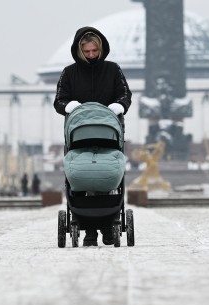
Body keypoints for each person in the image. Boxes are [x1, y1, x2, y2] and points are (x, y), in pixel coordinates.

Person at [54, 26, 132, 246]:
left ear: (101, 49)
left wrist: (119, 105)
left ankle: (108, 226)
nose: (91, 55)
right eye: (86, 52)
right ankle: (88, 230)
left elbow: (125, 94)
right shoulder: (69, 73)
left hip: (108, 134)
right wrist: (69, 105)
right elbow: (59, 100)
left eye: (94, 51)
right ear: (79, 50)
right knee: (82, 177)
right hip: (80, 136)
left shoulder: (112, 70)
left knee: (106, 176)